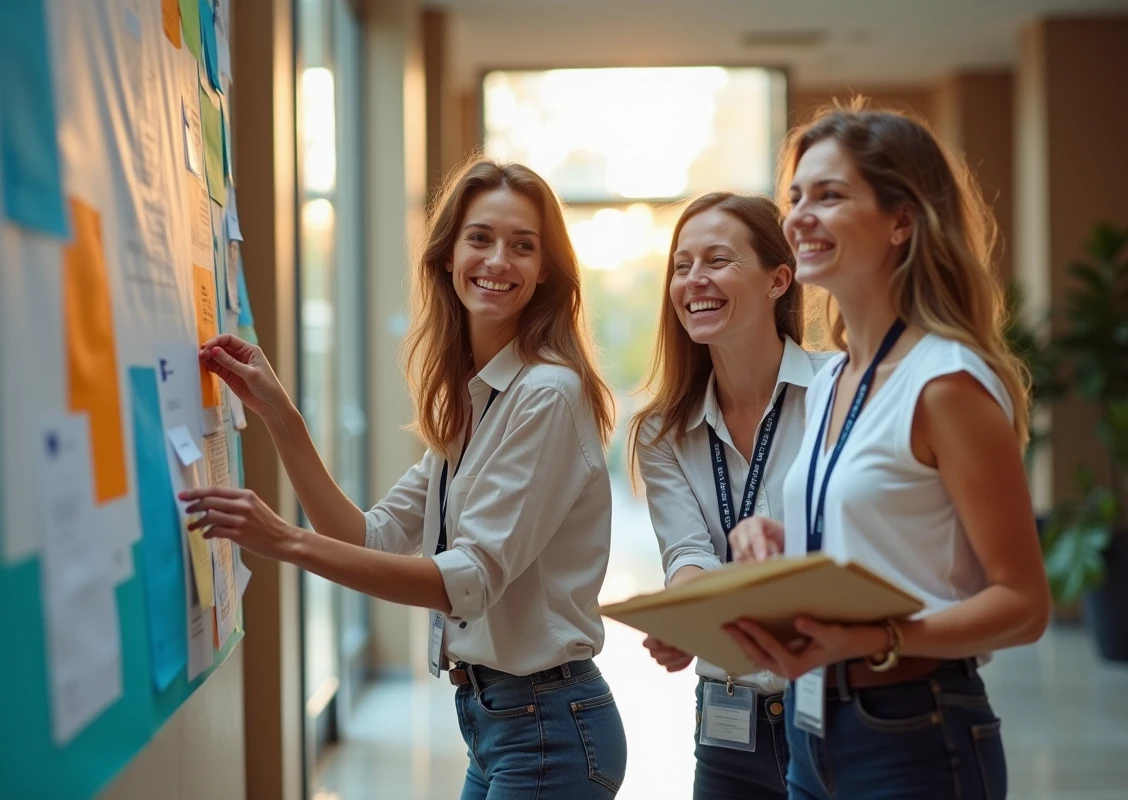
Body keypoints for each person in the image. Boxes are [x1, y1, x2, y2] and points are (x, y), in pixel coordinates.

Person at [180, 157, 628, 798]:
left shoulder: (546, 395)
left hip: (547, 728)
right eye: (480, 238)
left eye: (523, 246)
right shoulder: (478, 399)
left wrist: (284, 541)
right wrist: (278, 411)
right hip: (498, 722)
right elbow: (372, 536)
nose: (498, 260)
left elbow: (468, 580)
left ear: (546, 273)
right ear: (448, 257)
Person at [724, 104, 1052, 799]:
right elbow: (882, 542)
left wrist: (873, 639)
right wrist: (778, 544)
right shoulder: (830, 382)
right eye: (796, 197)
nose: (799, 216)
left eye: (831, 196)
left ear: (902, 221)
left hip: (914, 729)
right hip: (813, 727)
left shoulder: (946, 385)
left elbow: (1023, 605)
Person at [628, 192, 834, 799]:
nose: (695, 280)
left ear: (778, 279)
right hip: (727, 724)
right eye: (682, 265)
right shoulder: (662, 431)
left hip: (830, 709)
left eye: (717, 260)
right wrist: (685, 618)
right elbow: (687, 556)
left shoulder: (837, 392)